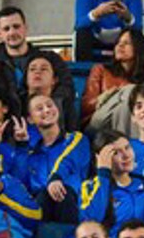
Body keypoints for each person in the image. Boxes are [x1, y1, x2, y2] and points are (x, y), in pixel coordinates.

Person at [0, 6, 74, 120]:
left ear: (25, 28)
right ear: (0, 34)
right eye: (6, 29)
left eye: (16, 26)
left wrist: (42, 107)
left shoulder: (50, 58)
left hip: (48, 118)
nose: (12, 32)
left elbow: (67, 88)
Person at [10, 93, 90, 223]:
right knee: (41, 198)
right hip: (40, 209)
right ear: (30, 119)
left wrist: (55, 178)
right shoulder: (31, 152)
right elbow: (20, 183)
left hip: (72, 206)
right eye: (39, 108)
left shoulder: (75, 139)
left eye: (49, 105)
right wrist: (22, 146)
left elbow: (68, 160)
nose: (46, 110)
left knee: (63, 194)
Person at [80, 129, 144, 238]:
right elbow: (92, 223)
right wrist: (103, 174)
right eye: (115, 152)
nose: (126, 155)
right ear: (100, 158)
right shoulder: (89, 188)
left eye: (127, 147)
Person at [81, 28, 144, 129]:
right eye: (118, 43)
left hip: (131, 123)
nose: (120, 45)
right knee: (130, 91)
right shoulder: (101, 70)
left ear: (138, 48)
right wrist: (103, 98)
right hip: (99, 123)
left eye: (126, 43)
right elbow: (86, 107)